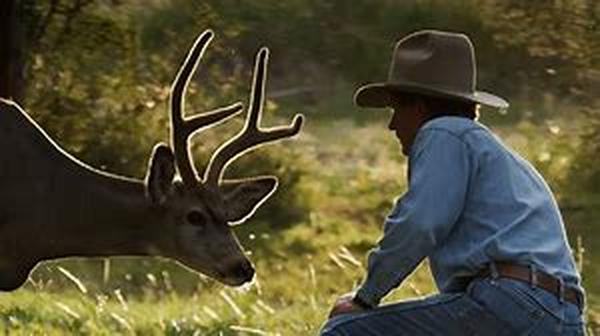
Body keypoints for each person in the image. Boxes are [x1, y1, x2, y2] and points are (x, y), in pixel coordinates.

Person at [320, 30, 585, 335]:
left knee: (344, 331)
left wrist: (366, 298)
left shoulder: (442, 132)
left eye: (396, 109)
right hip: (561, 316)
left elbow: (420, 222)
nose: (391, 125)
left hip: (510, 303)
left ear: (418, 106)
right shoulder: (493, 152)